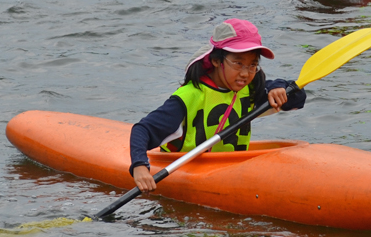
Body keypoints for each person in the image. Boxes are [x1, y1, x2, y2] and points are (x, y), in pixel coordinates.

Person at [129, 19, 306, 193]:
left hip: (230, 170)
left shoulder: (251, 90)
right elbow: (142, 130)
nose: (245, 73)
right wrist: (140, 166)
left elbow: (298, 100)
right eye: (238, 63)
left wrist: (279, 88)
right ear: (216, 60)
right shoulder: (190, 95)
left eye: (253, 65)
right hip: (183, 169)